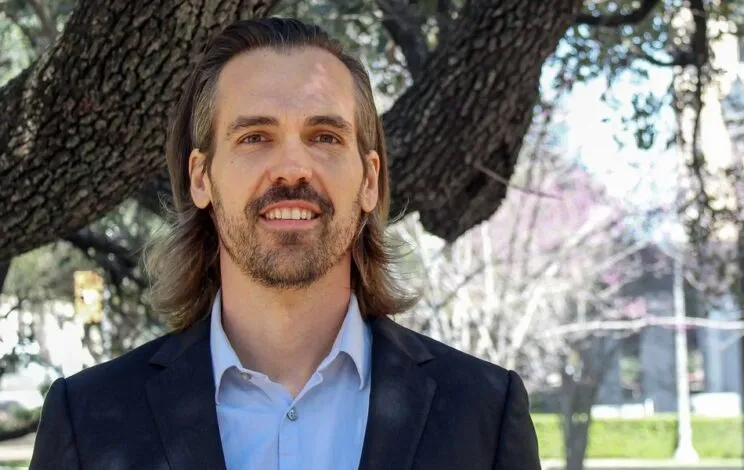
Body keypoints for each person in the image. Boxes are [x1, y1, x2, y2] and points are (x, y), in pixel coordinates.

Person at [29, 17, 541, 470]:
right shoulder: (88, 419)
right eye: (255, 137)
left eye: (325, 137)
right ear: (201, 179)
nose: (294, 168)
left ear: (369, 181)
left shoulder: (484, 414)